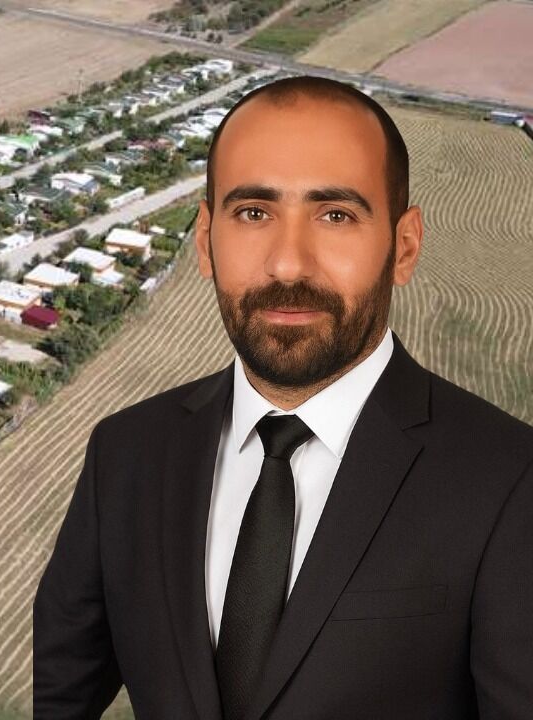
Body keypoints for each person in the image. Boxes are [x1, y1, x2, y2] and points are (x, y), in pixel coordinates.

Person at [32, 75, 533, 720]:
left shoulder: (511, 481)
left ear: (404, 247)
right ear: (206, 240)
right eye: (253, 213)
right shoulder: (124, 454)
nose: (289, 264)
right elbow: (60, 698)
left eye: (336, 215)